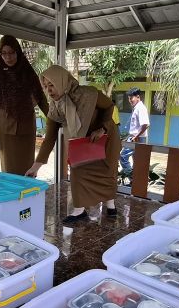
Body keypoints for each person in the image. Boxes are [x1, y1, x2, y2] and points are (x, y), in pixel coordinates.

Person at [26, 65, 120, 222]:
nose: (49, 90)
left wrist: (102, 128)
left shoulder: (89, 94)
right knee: (78, 170)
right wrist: (36, 167)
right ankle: (79, 211)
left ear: (62, 81)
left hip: (104, 137)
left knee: (106, 172)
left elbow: (109, 106)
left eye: (52, 85)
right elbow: (49, 138)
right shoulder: (55, 108)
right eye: (46, 86)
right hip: (82, 142)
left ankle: (111, 205)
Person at [0, 35, 49, 175]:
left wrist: (53, 118)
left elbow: (40, 98)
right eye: (4, 53)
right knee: (9, 168)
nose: (8, 57)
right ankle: (12, 196)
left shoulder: (28, 72)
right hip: (6, 127)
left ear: (18, 52)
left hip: (26, 126)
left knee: (28, 166)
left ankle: (28, 195)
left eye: (11, 53)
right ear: (0, 54)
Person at [119, 87, 150, 174]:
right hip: (134, 137)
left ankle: (129, 175)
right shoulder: (136, 108)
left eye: (131, 98)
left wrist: (136, 136)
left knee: (123, 156)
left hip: (137, 138)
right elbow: (135, 127)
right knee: (136, 160)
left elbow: (146, 124)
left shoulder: (141, 108)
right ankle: (135, 179)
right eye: (129, 98)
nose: (130, 100)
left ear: (138, 97)